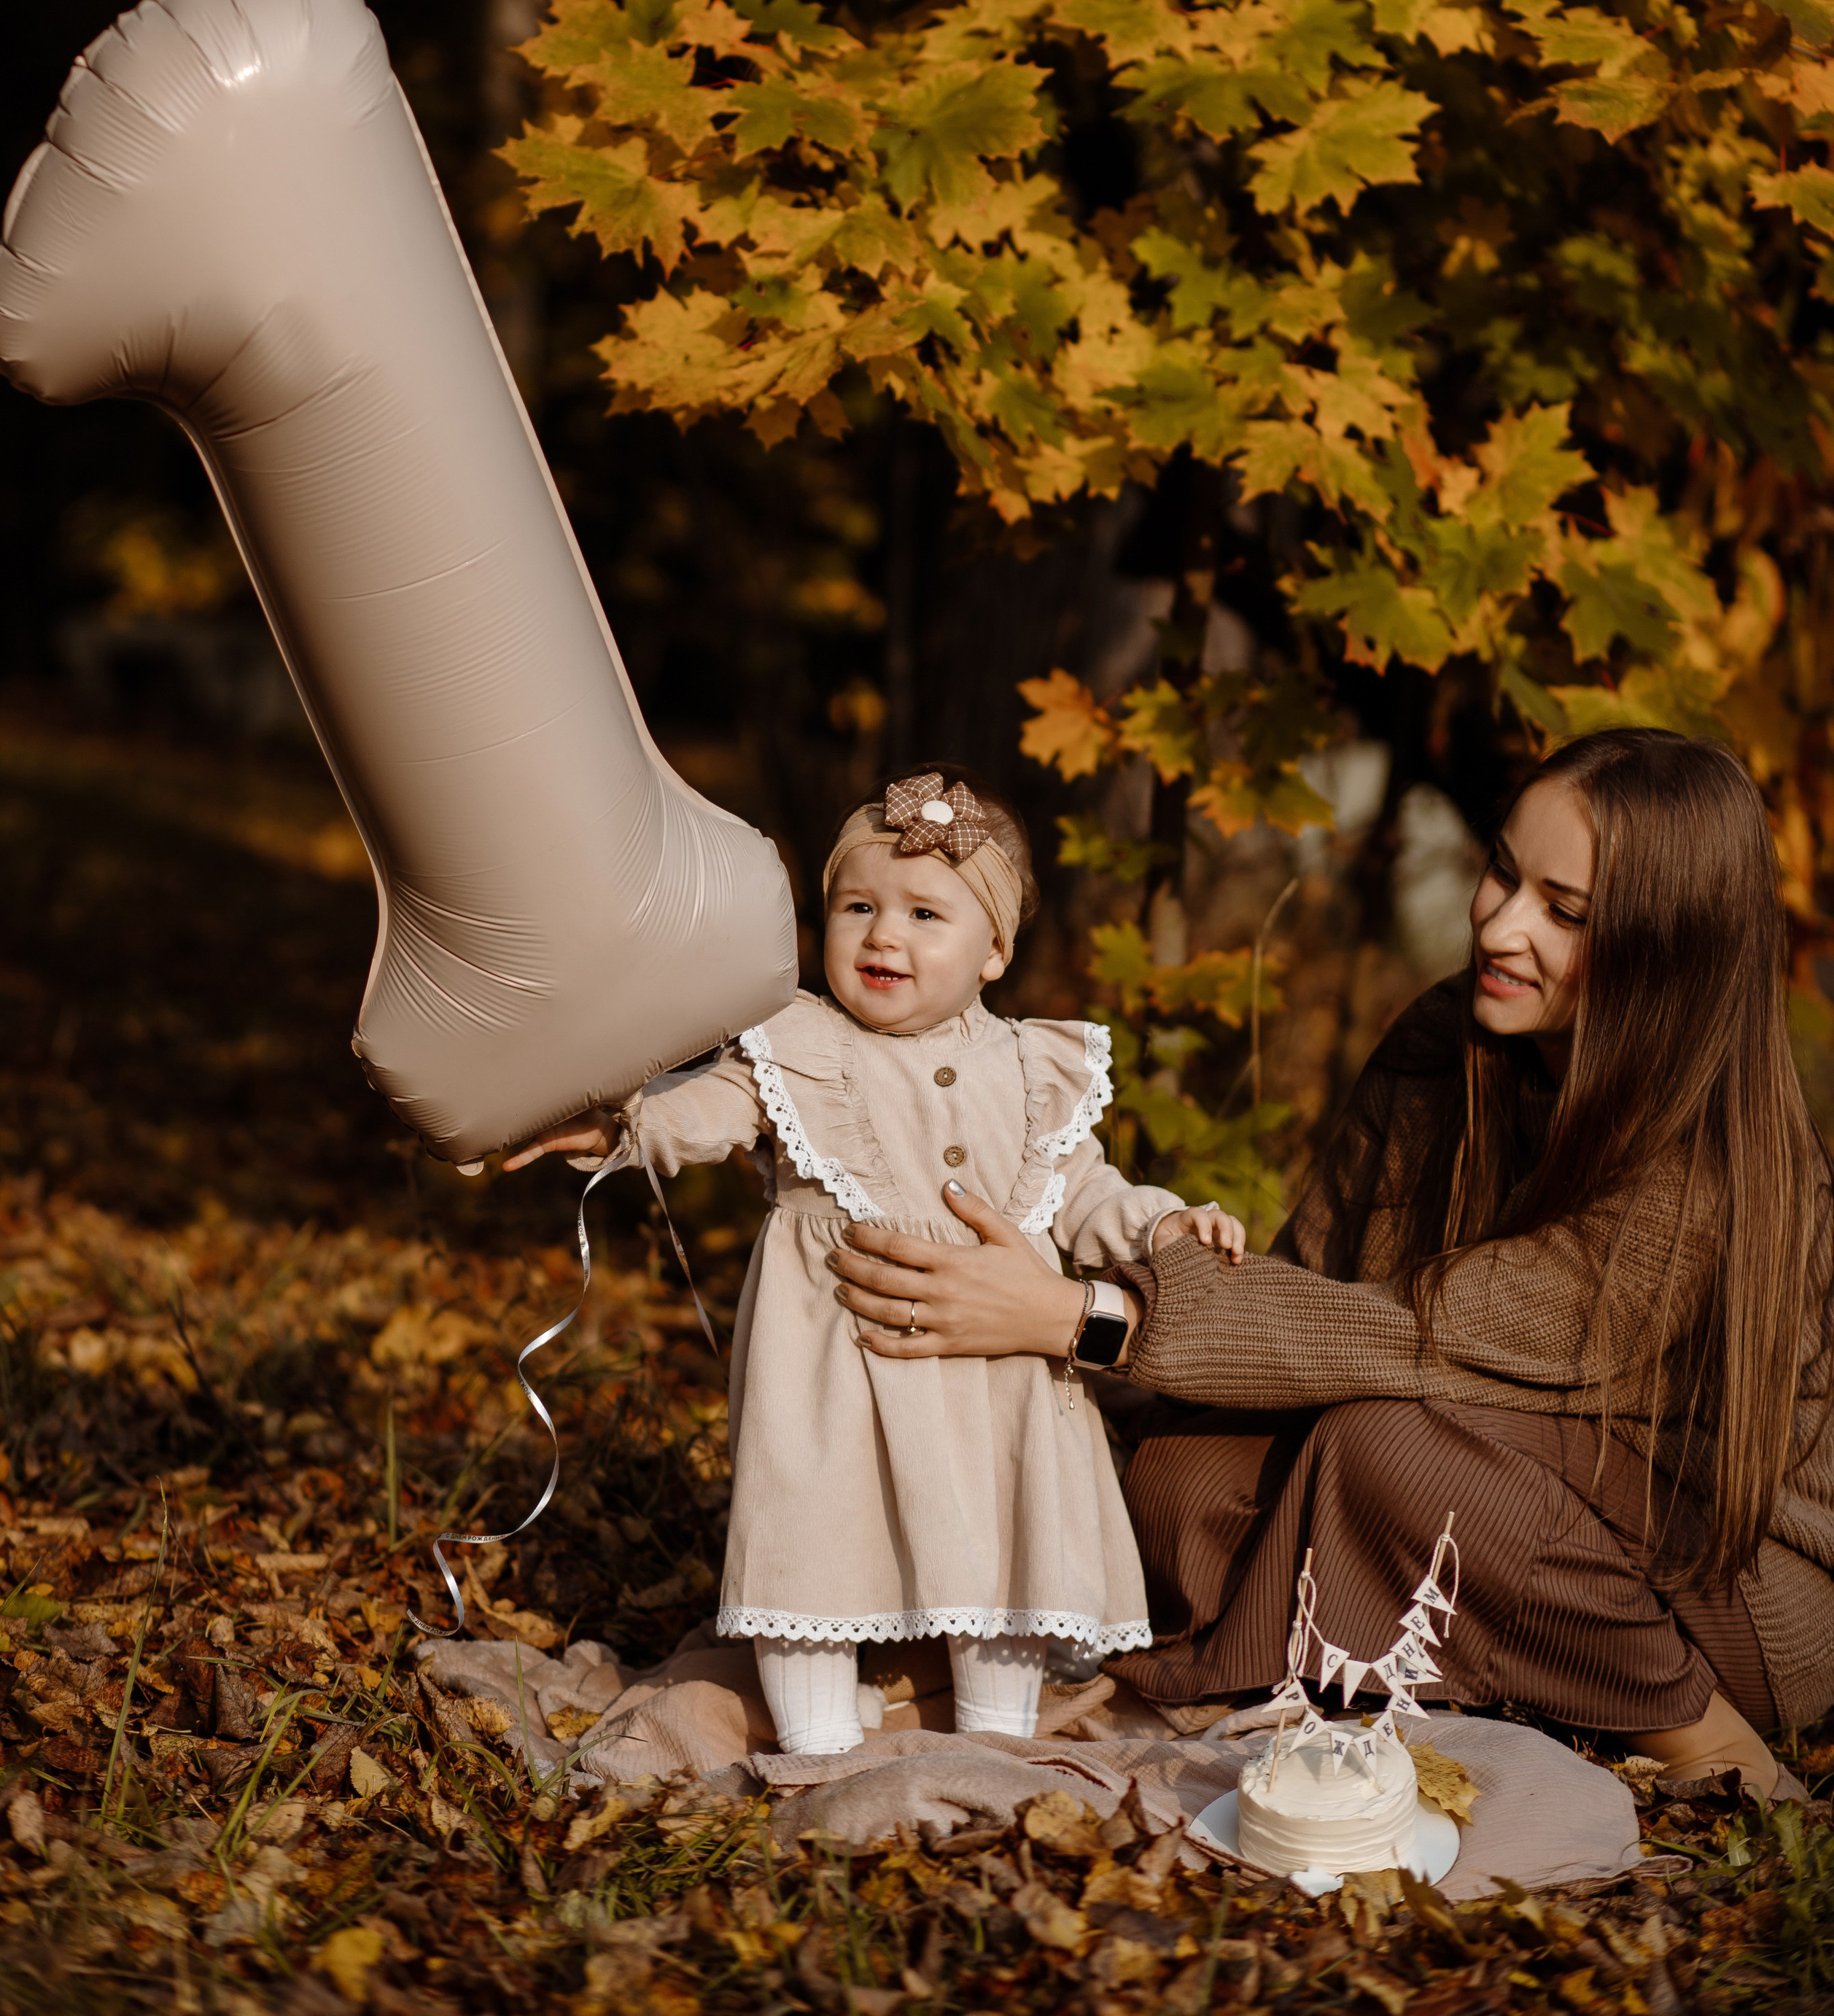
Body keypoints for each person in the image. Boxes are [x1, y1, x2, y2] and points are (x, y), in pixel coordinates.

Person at [826, 731, 1834, 1799]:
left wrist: (1085, 1319)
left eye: (1566, 912)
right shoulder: (1446, 1045)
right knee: (1187, 1472)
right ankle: (1350, 1663)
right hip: (1488, 1467)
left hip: (1728, 1583)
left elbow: (1418, 1332)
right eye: (1501, 870)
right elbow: (1312, 1296)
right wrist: (1062, 1398)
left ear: (1663, 948)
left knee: (1392, 1453)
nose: (1499, 922)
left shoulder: (1704, 1172)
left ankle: (1709, 1744)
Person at [505, 766, 1241, 1754]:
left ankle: (994, 1742)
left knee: (1001, 1539)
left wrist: (1162, 1228)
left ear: (995, 950)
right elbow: (709, 1114)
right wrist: (624, 1129)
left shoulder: (1036, 1068)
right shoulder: (799, 1046)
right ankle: (816, 1745)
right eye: (857, 907)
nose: (882, 936)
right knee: (816, 1535)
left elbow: (1086, 1193)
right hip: (834, 1372)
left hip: (998, 1380)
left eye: (924, 915)